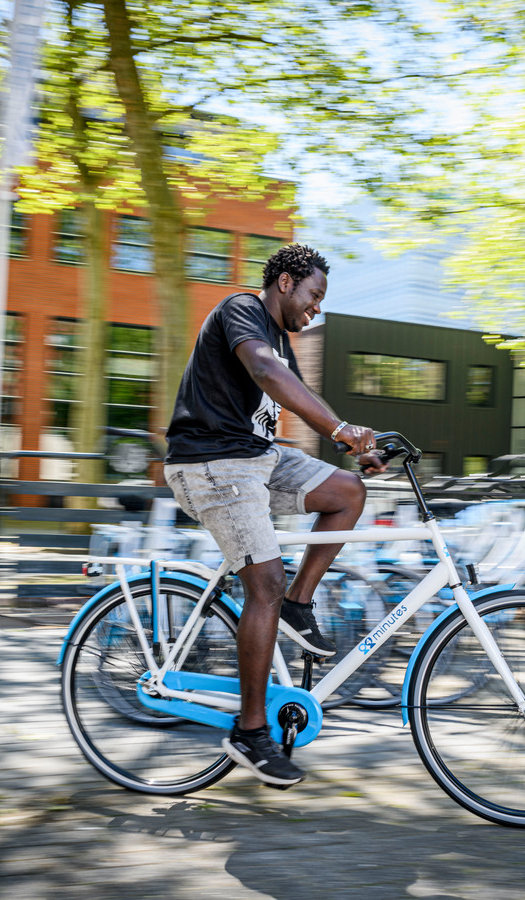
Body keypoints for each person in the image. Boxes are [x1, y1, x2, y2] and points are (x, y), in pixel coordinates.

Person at [163, 243, 385, 788]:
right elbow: (264, 371)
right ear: (285, 281)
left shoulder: (282, 341)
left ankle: (296, 605)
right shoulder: (242, 311)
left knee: (347, 493)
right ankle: (251, 730)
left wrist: (363, 447)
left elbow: (285, 390)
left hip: (256, 460)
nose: (317, 310)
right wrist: (340, 430)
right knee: (263, 580)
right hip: (210, 462)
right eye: (314, 296)